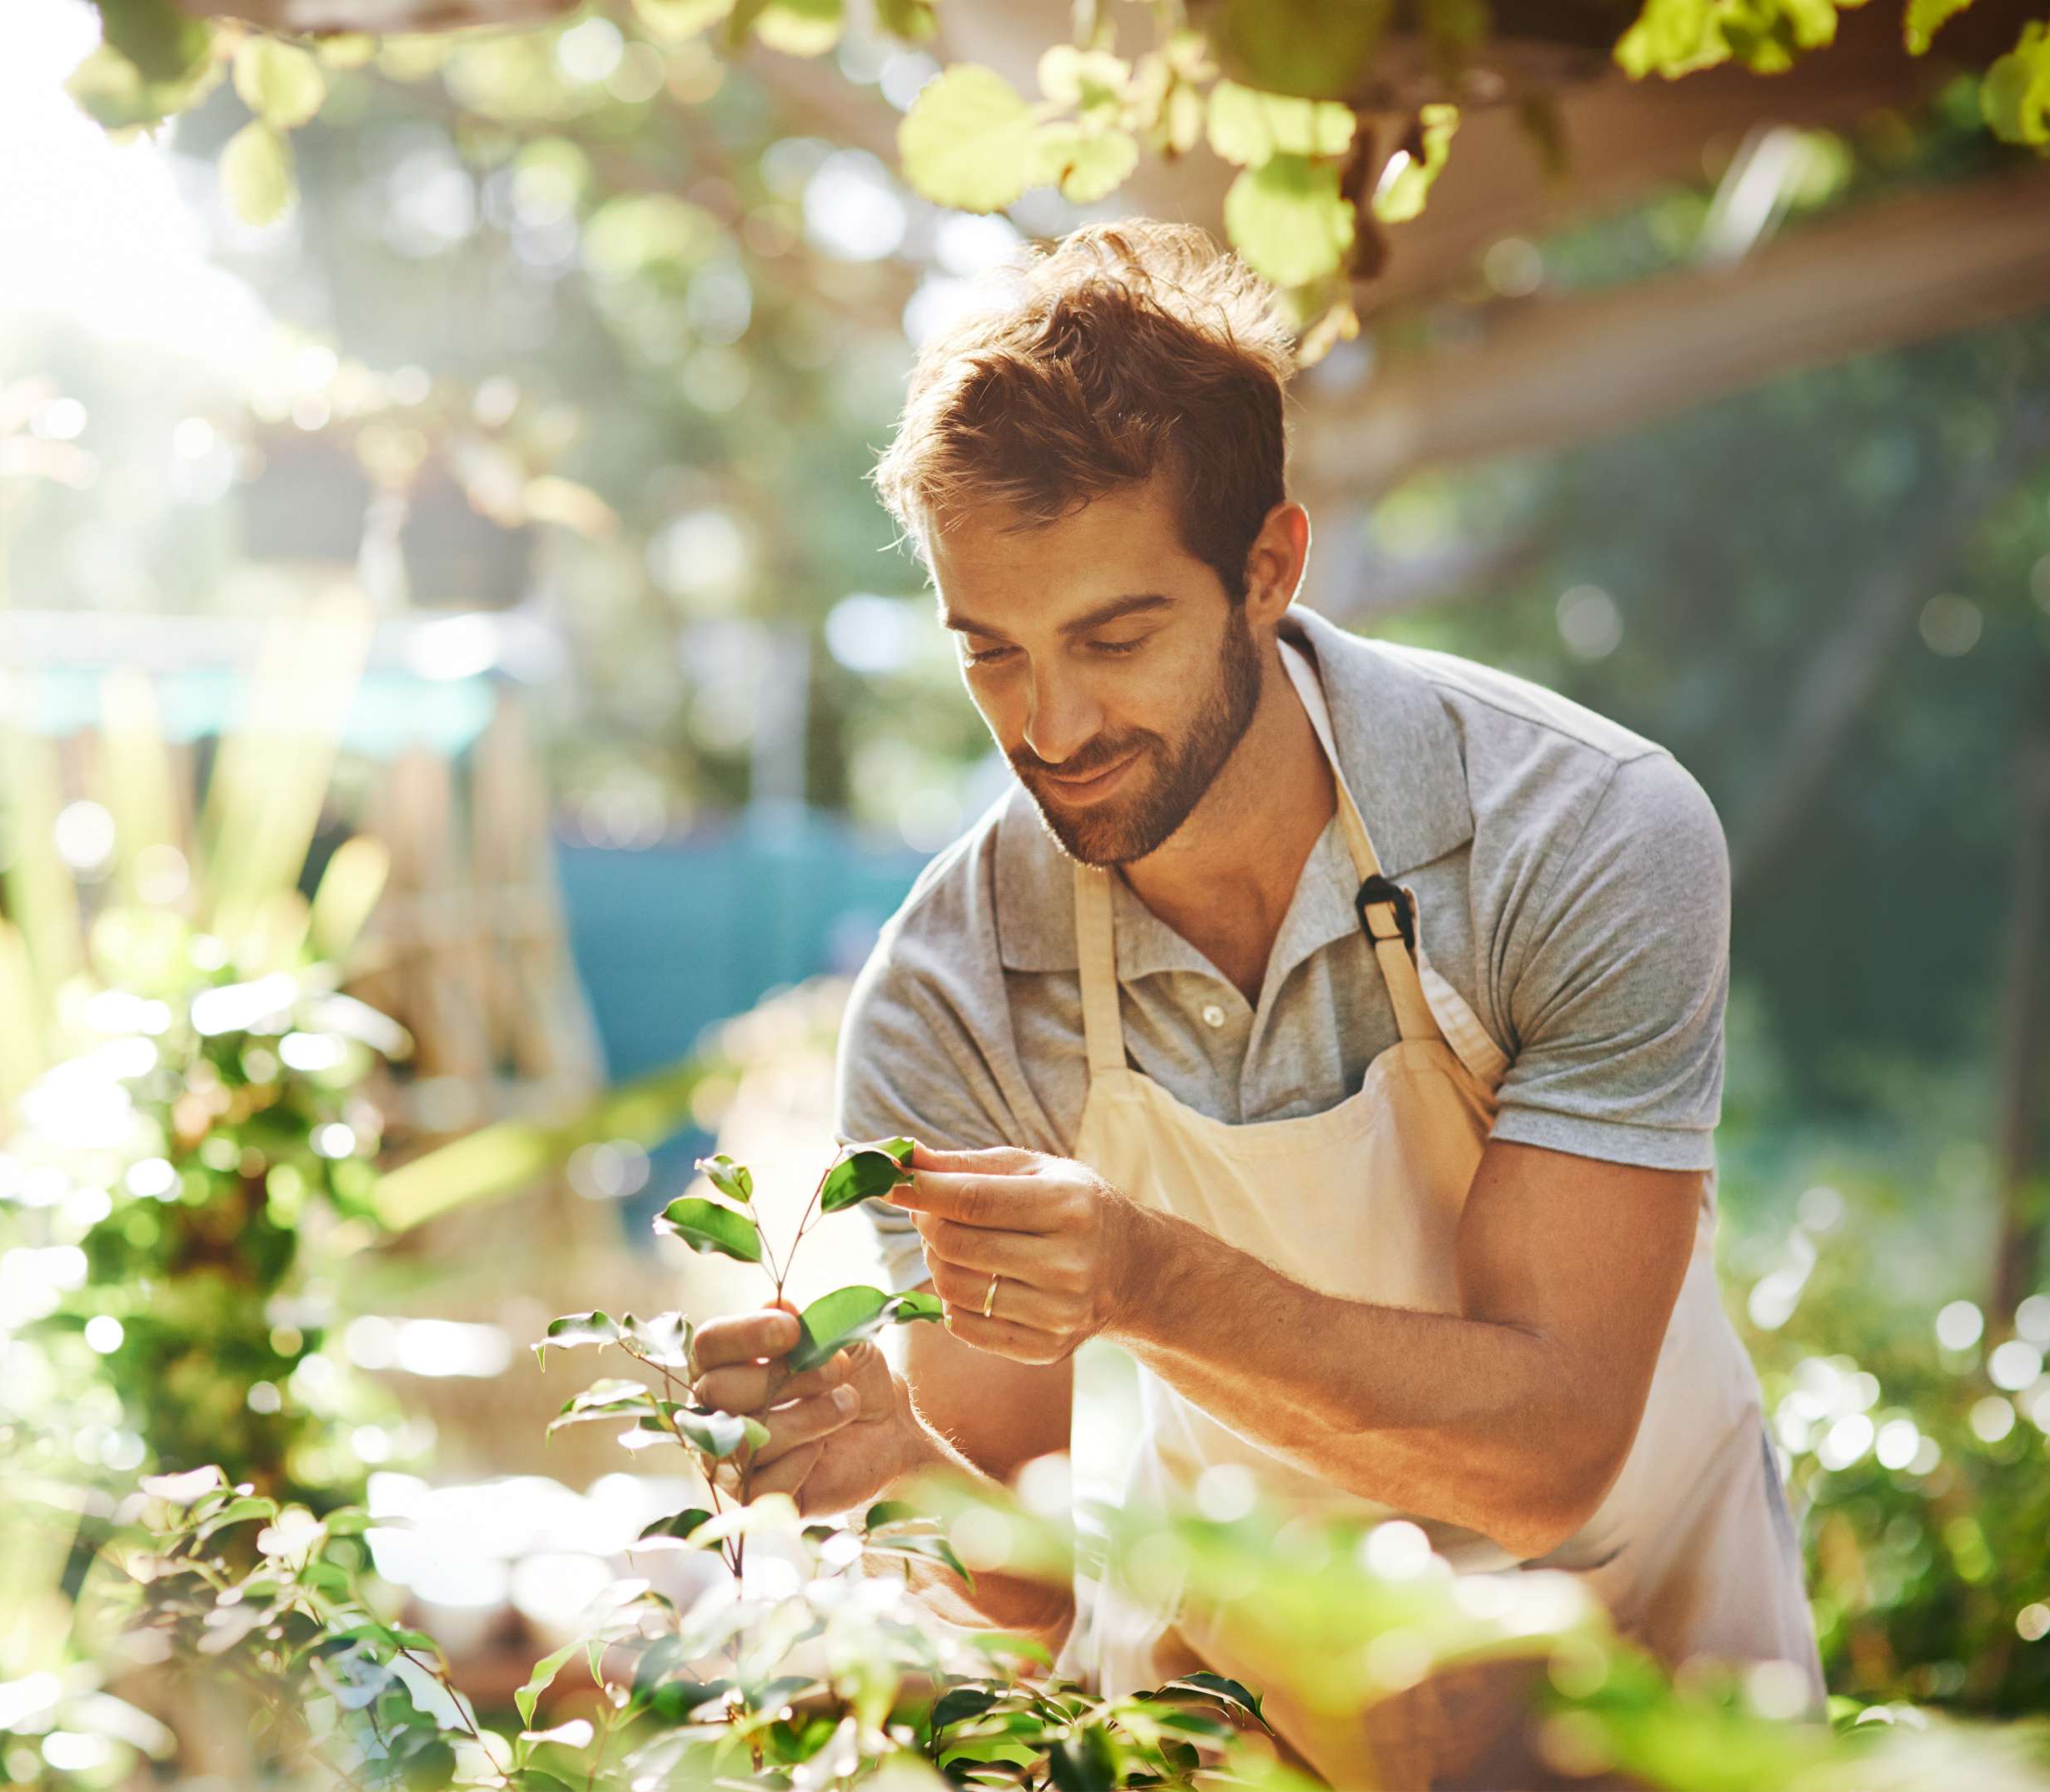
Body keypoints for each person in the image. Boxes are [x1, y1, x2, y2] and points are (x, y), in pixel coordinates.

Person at [687, 220, 1820, 1787]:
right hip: (1244, 1725)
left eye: (1116, 635)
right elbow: (1017, 1584)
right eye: (990, 653)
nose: (1052, 723)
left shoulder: (1582, 832)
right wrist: (893, 1467)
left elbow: (1547, 1456)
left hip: (1649, 1682)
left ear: (1268, 569)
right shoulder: (956, 991)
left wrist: (1148, 1279)